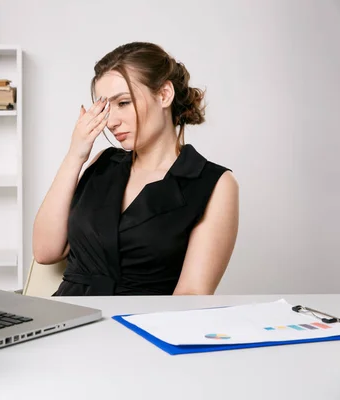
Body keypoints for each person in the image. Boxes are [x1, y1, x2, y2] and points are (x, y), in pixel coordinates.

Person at [32, 42, 239, 296]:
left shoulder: (213, 183)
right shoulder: (103, 164)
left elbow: (191, 295)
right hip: (66, 319)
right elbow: (45, 251)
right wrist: (75, 155)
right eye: (107, 108)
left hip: (141, 327)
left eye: (124, 103)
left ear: (164, 95)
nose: (112, 122)